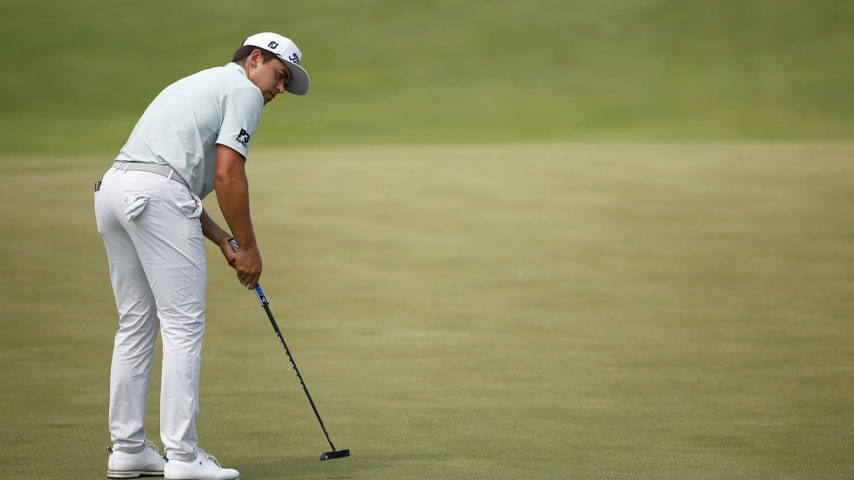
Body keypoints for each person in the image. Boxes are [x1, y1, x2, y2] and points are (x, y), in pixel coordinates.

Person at [94, 32, 310, 480]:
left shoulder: (203, 82)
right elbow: (228, 174)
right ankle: (184, 457)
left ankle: (129, 449)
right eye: (279, 74)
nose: (280, 89)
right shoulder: (244, 91)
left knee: (136, 323)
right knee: (183, 325)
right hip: (156, 196)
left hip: (115, 190)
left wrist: (221, 240)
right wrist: (248, 246)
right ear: (255, 60)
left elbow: (177, 186)